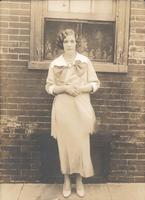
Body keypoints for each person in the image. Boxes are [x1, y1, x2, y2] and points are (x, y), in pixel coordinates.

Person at [45, 29, 100, 198]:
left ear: (77, 43)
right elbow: (49, 87)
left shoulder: (85, 61)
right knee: (65, 144)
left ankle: (79, 179)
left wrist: (82, 88)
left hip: (81, 105)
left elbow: (95, 83)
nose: (70, 44)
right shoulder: (55, 63)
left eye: (72, 41)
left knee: (81, 143)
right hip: (63, 106)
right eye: (66, 41)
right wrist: (65, 88)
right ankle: (66, 180)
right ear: (61, 44)